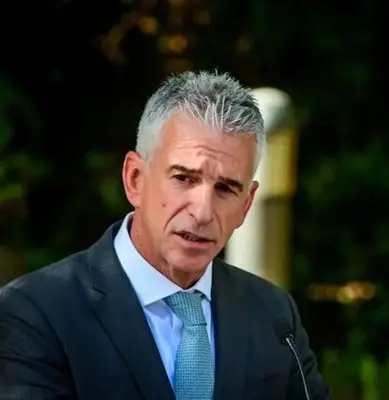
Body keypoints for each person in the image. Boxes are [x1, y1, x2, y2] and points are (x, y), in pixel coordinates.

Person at [0, 70, 331, 400]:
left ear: (246, 205)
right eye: (184, 178)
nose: (202, 212)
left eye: (226, 188)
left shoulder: (273, 315)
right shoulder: (36, 312)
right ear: (135, 179)